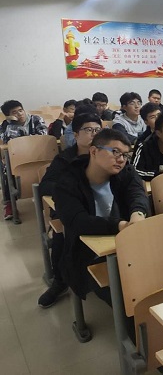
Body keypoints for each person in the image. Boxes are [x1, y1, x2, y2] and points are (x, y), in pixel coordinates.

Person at [54, 129, 150, 302]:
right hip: (88, 254)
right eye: (115, 152)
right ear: (93, 151)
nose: (121, 159)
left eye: (125, 155)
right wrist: (120, 225)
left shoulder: (126, 172)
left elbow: (137, 195)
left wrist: (137, 215)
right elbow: (77, 221)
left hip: (127, 246)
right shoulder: (67, 181)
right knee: (131, 300)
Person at [37, 112, 102, 308]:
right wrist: (75, 188)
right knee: (63, 236)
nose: (94, 134)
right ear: (75, 135)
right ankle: (60, 281)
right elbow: (45, 186)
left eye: (98, 130)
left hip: (102, 207)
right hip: (71, 208)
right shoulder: (64, 159)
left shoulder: (106, 154)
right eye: (88, 130)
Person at [0, 100, 48, 220]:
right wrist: (13, 124)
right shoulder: (5, 125)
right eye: (14, 112)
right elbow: (10, 142)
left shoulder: (36, 119)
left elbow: (43, 135)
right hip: (18, 159)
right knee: (7, 171)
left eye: (21, 110)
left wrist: (25, 142)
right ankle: (10, 204)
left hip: (39, 155)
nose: (19, 114)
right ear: (8, 116)